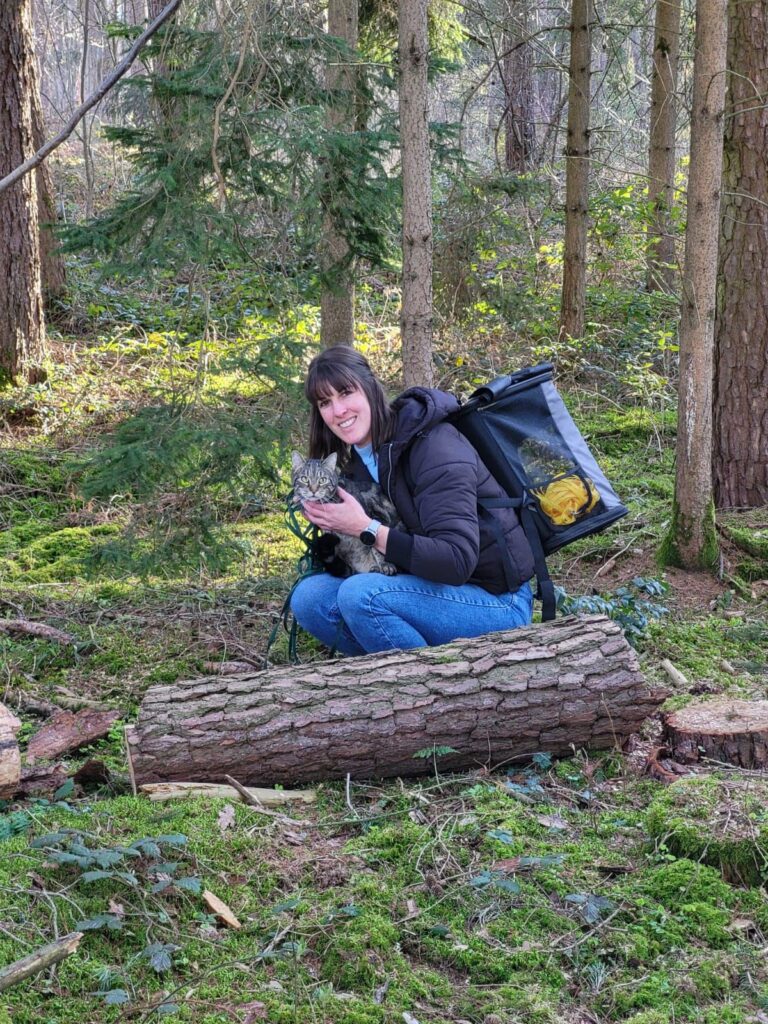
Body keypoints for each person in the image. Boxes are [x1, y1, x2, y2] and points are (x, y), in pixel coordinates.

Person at [290, 346, 535, 655]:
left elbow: (456, 561)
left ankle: (431, 690)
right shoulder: (357, 466)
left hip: (495, 600)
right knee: (309, 598)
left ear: (370, 387)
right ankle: (399, 677)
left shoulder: (435, 445)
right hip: (424, 589)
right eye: (326, 402)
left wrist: (365, 527)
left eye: (346, 393)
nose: (338, 411)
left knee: (360, 596)